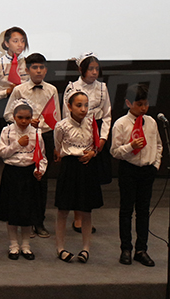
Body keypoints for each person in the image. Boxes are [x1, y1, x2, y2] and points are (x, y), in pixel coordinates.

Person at [4, 53, 60, 238]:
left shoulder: (52, 89)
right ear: (27, 70)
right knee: (23, 183)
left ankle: (39, 221)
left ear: (46, 70)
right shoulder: (19, 90)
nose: (38, 71)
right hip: (24, 138)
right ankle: (23, 221)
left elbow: (57, 118)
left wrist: (57, 144)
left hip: (45, 136)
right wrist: (27, 122)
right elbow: (7, 114)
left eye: (41, 67)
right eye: (34, 67)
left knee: (41, 180)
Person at [111, 84, 161, 267]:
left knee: (143, 211)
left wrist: (155, 165)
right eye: (139, 104)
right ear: (128, 103)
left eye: (146, 104)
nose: (144, 108)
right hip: (129, 170)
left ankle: (141, 250)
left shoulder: (152, 122)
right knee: (126, 210)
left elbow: (158, 145)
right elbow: (114, 151)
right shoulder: (121, 124)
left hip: (147, 171)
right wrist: (130, 146)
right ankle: (126, 248)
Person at [63, 52, 112, 233]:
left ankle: (86, 216)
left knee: (91, 180)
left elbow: (107, 115)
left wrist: (103, 138)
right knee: (78, 179)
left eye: (96, 69)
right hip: (77, 133)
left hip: (96, 133)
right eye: (90, 69)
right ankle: (77, 218)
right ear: (81, 70)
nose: (94, 72)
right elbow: (65, 116)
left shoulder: (102, 88)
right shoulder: (72, 87)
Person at [0, 27, 29, 217]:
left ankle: (20, 203)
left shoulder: (28, 64)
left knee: (22, 157)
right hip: (1, 113)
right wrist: (6, 92)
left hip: (23, 114)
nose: (20, 44)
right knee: (0, 161)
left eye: (22, 41)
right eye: (15, 41)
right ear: (6, 43)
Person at [54, 91, 103, 263]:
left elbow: (95, 144)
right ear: (69, 106)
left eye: (86, 105)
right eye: (79, 105)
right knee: (63, 209)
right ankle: (60, 248)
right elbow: (58, 146)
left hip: (86, 168)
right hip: (69, 167)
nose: (83, 109)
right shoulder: (61, 126)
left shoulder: (91, 123)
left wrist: (92, 154)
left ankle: (86, 248)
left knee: (86, 210)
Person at [0, 99, 46, 261]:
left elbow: (42, 156)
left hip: (29, 175)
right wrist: (17, 144)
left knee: (27, 212)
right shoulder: (6, 131)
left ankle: (26, 245)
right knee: (13, 211)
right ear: (14, 116)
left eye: (27, 118)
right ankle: (13, 245)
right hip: (12, 173)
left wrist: (40, 170)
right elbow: (2, 153)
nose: (24, 121)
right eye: (20, 117)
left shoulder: (36, 133)